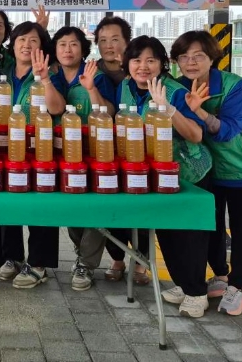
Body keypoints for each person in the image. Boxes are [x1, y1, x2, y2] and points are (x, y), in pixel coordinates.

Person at [172, 30, 242, 316]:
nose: (191, 62)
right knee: (210, 225)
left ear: (212, 58)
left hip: (241, 169)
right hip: (205, 170)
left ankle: (237, 285)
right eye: (184, 57)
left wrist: (199, 111)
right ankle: (220, 275)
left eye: (198, 56)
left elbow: (228, 131)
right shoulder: (178, 86)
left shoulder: (234, 86)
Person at [119, 35, 213, 318]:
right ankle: (183, 284)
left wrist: (168, 109)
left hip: (188, 172)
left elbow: (196, 135)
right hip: (156, 173)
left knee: (187, 235)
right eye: (136, 60)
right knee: (166, 231)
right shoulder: (126, 87)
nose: (143, 66)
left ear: (162, 64)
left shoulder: (173, 91)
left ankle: (197, 292)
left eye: (151, 60)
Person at [0, 21, 65, 289]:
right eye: (21, 40)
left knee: (41, 202)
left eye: (33, 40)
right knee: (8, 201)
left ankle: (38, 263)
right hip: (7, 146)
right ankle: (12, 256)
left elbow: (57, 109)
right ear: (13, 45)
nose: (26, 45)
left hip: (40, 147)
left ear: (41, 47)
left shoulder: (49, 73)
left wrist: (44, 79)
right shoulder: (3, 73)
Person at [50, 26, 115, 292]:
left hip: (95, 152)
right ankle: (81, 253)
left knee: (95, 208)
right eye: (62, 44)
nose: (68, 49)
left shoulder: (97, 76)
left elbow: (109, 112)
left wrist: (91, 89)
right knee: (72, 206)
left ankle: (86, 264)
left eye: (74, 44)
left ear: (83, 49)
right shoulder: (52, 77)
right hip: (63, 153)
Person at [91, 16, 149, 284]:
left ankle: (141, 261)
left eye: (115, 39)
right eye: (103, 40)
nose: (109, 45)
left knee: (139, 205)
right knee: (110, 203)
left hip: (139, 149)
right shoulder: (93, 71)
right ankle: (117, 257)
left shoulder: (138, 71)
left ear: (127, 41)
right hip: (106, 149)